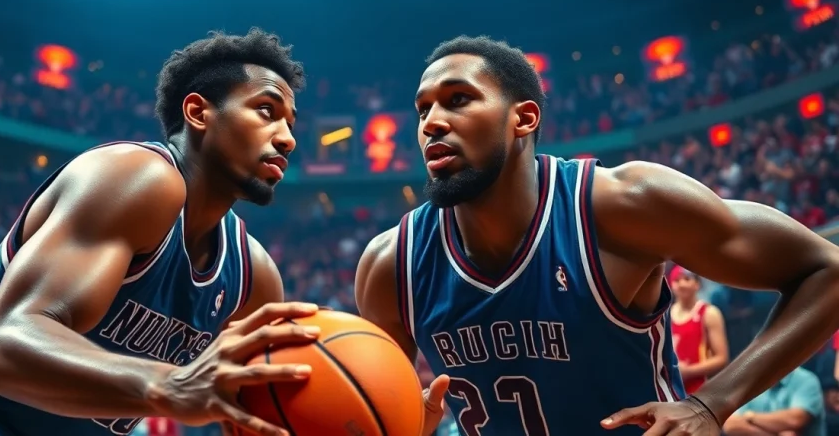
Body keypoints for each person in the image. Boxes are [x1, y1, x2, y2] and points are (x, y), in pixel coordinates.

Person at [354, 36, 839, 436]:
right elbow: (382, 414)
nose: (431, 123)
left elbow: (826, 271)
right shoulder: (389, 264)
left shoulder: (623, 205)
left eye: (458, 99)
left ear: (523, 118)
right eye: (422, 110)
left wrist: (713, 404)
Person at [0, 29, 321, 436]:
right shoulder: (136, 178)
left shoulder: (255, 278)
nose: (287, 139)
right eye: (266, 111)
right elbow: (1, 349)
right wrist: (168, 384)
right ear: (198, 113)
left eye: (290, 122)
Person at [669, 266, 729, 395]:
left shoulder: (709, 313)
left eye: (686, 279)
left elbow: (721, 358)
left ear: (697, 284)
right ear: (671, 285)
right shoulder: (664, 316)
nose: (682, 284)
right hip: (670, 389)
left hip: (699, 391)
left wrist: (688, 371)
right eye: (677, 280)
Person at [722, 367, 825, 436]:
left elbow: (795, 420)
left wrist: (750, 417)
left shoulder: (806, 380)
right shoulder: (751, 380)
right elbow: (730, 425)